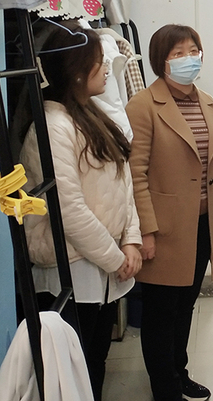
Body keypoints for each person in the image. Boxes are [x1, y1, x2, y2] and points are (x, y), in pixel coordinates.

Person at [21, 24, 143, 401]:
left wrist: (131, 240)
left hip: (102, 266)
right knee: (74, 371)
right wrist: (115, 258)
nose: (107, 69)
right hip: (72, 269)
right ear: (75, 70)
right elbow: (68, 210)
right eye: (98, 62)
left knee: (95, 360)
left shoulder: (90, 114)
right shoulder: (53, 125)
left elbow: (123, 183)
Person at [126, 24, 213, 401]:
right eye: (178, 53)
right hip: (164, 228)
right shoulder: (143, 106)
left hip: (201, 224)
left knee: (186, 304)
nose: (188, 59)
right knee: (161, 312)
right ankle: (165, 387)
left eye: (193, 51)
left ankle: (179, 371)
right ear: (161, 61)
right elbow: (135, 174)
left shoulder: (207, 102)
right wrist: (146, 231)